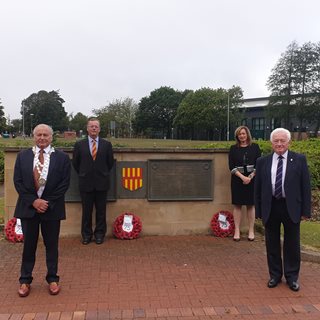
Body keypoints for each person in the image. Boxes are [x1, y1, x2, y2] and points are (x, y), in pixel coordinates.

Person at [13, 124, 71, 297]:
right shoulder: (23, 156)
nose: (42, 138)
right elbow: (18, 182)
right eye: (39, 134)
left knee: (51, 246)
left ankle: (53, 279)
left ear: (51, 137)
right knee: (28, 247)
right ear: (34, 136)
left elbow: (64, 184)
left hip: (51, 209)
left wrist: (46, 202)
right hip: (28, 209)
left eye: (46, 135)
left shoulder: (61, 158)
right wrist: (33, 201)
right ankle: (25, 281)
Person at [254, 128, 311, 291]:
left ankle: (292, 277)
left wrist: (306, 211)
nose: (279, 144)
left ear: (289, 142)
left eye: (282, 141)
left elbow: (305, 187)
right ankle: (275, 275)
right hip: (270, 206)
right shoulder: (262, 161)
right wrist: (258, 211)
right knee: (271, 243)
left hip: (291, 206)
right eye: (276, 141)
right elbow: (257, 189)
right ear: (271, 143)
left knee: (292, 244)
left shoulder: (299, 159)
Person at [72, 118, 114, 245]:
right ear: (87, 128)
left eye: (96, 126)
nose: (94, 128)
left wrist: (102, 173)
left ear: (99, 129)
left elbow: (110, 163)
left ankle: (100, 234)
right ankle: (86, 235)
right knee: (86, 211)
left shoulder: (107, 145)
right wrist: (85, 173)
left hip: (102, 183)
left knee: (101, 211)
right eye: (91, 126)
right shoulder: (80, 145)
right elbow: (76, 163)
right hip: (86, 183)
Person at [229, 126, 261, 241]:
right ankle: (237, 230)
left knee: (250, 205)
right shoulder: (233, 148)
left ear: (247, 134)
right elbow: (231, 167)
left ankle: (251, 230)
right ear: (237, 136)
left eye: (243, 133)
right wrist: (242, 177)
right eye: (239, 134)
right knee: (237, 205)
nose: (242, 136)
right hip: (238, 180)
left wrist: (250, 177)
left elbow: (259, 164)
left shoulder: (255, 147)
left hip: (252, 180)